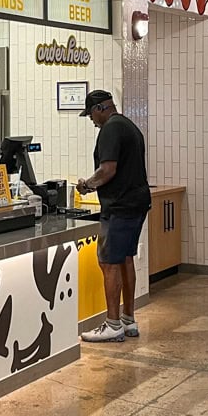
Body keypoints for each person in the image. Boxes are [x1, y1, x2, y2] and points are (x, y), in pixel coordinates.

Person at [76, 90, 151, 343]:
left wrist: (87, 185)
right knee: (124, 259)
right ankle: (128, 319)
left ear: (100, 109)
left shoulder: (110, 129)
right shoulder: (129, 125)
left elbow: (107, 169)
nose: (92, 121)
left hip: (120, 206)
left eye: (91, 116)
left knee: (108, 261)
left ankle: (112, 323)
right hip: (136, 203)